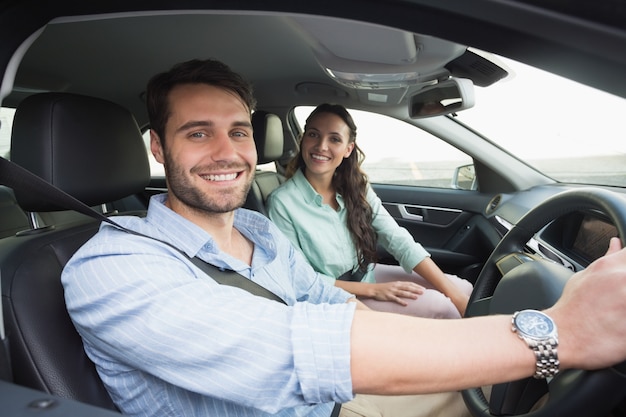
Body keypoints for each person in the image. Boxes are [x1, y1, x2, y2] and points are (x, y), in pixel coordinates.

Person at [61, 58, 626, 417]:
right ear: (158, 149)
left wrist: (447, 322)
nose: (227, 152)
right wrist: (560, 333)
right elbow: (298, 350)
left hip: (336, 396)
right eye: (197, 133)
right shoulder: (111, 265)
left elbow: (326, 302)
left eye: (238, 131)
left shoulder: (256, 229)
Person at [267, 103, 472, 319]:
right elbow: (300, 278)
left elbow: (398, 239)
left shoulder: (357, 187)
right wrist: (374, 290)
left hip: (365, 277)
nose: (321, 146)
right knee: (440, 307)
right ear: (303, 139)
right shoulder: (282, 203)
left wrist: (454, 294)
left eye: (334, 139)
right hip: (331, 298)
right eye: (313, 135)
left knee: (462, 288)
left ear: (348, 149)